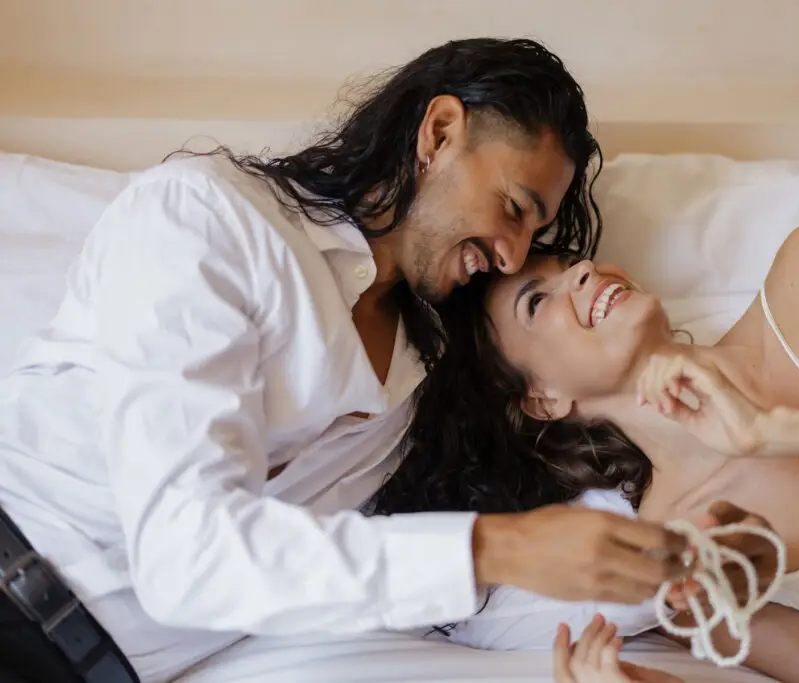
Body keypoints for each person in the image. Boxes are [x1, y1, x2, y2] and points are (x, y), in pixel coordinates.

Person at [0, 38, 697, 683]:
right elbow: (186, 554)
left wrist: (670, 569)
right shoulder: (207, 223)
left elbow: (479, 604)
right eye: (514, 207)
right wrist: (493, 545)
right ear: (440, 132)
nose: (514, 253)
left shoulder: (424, 385)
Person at [372, 221, 799, 682]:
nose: (582, 271)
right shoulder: (690, 555)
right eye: (538, 302)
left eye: (570, 261)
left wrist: (773, 432)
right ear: (541, 396)